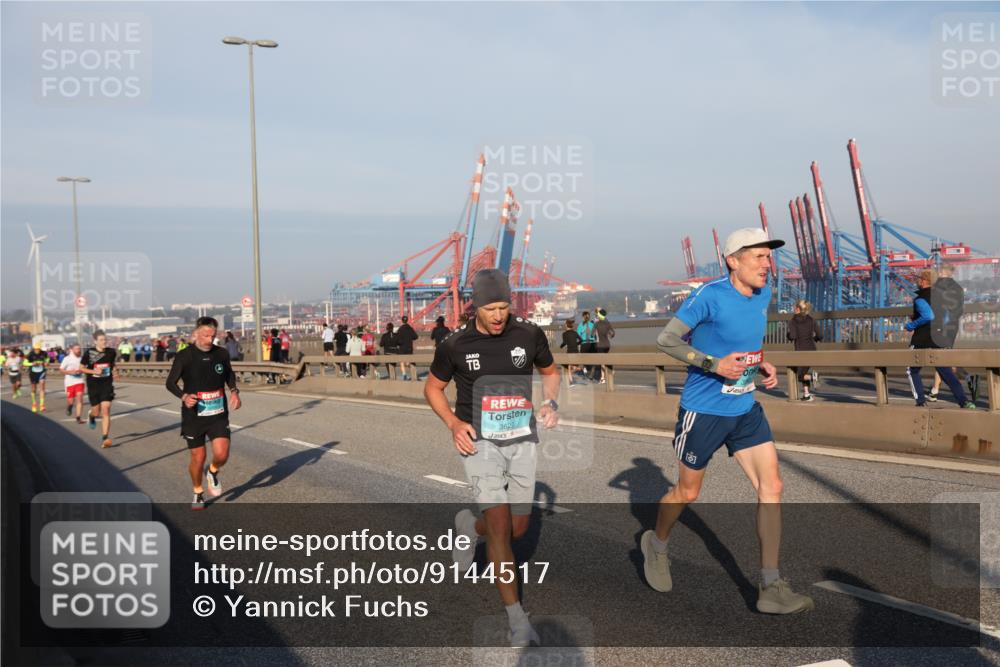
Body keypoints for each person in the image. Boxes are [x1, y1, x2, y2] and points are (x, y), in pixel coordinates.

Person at [648, 227, 814, 614]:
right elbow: (666, 340)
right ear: (733, 260)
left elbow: (743, 342)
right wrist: (712, 364)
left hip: (745, 410)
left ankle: (770, 585)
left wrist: (759, 364)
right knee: (688, 493)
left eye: (768, 257)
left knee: (772, 485)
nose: (766, 264)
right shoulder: (709, 296)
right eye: (757, 256)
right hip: (704, 411)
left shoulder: (764, 294)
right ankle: (655, 545)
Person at [424, 269, 560, 648]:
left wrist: (551, 401)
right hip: (479, 441)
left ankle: (470, 525)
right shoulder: (455, 344)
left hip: (522, 439)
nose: (499, 315)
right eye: (491, 308)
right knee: (501, 528)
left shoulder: (529, 334)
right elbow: (432, 388)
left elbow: (550, 372)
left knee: (516, 529)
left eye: (504, 306)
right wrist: (453, 423)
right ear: (476, 307)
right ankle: (517, 617)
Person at [165, 317, 241, 510]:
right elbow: (170, 383)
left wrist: (234, 391)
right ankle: (198, 491)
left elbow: (229, 374)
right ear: (196, 334)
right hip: (194, 415)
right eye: (206, 335)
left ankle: (213, 472)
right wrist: (184, 397)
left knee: (222, 453)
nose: (209, 339)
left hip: (217, 412)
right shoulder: (185, 356)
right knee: (198, 458)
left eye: (213, 336)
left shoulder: (221, 354)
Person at [905, 269, 974, 409]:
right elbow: (947, 317)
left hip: (921, 339)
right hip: (939, 338)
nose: (916, 281)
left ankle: (920, 402)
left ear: (924, 281)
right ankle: (964, 401)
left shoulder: (919, 299)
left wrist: (911, 325)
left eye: (918, 278)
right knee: (945, 371)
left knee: (912, 370)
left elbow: (928, 316)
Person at [928, 264, 972, 402]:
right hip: (952, 327)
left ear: (941, 272)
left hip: (939, 327)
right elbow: (959, 310)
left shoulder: (937, 287)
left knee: (940, 357)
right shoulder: (958, 288)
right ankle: (935, 390)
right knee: (942, 356)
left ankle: (967, 377)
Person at [80, 330, 119, 448]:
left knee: (106, 409)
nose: (104, 342)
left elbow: (112, 364)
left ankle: (105, 438)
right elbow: (81, 368)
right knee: (96, 411)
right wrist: (93, 371)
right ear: (95, 341)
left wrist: (115, 371)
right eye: (101, 340)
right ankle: (91, 416)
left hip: (106, 384)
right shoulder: (89, 353)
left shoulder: (111, 352)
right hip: (93, 385)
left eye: (105, 339)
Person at [786, 299, 822, 401]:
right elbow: (820, 335)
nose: (793, 309)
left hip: (801, 350)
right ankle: (807, 395)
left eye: (794, 307)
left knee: (800, 375)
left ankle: (813, 377)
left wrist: (788, 335)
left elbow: (792, 336)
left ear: (798, 309)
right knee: (803, 372)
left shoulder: (793, 321)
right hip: (811, 349)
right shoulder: (811, 319)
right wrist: (814, 339)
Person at [60, 343, 86, 423]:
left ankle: (78, 417)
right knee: (71, 401)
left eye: (79, 349)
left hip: (79, 381)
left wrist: (81, 370)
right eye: (77, 349)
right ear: (72, 350)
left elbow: (85, 368)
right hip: (69, 382)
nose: (79, 350)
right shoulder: (67, 359)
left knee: (80, 397)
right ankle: (70, 406)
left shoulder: (82, 359)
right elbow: (61, 370)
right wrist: (70, 372)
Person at [592, 308, 616, 383]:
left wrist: (595, 334)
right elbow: (613, 333)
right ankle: (606, 374)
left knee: (602, 362)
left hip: (600, 345)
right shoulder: (607, 323)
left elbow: (592, 334)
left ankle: (606, 374)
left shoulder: (596, 323)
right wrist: (610, 335)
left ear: (599, 315)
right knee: (604, 360)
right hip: (607, 345)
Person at [25, 342, 49, 412]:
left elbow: (47, 359)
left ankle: (42, 405)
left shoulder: (44, 353)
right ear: (34, 348)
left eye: (38, 349)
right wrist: (32, 363)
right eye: (36, 349)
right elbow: (24, 363)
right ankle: (34, 404)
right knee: (33, 389)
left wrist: (47, 362)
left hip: (42, 371)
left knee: (42, 385)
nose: (37, 350)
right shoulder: (30, 354)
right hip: (33, 373)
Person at [560, 318, 583, 384]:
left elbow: (564, 343)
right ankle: (571, 381)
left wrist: (561, 347)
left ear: (566, 325)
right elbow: (581, 340)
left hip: (569, 352)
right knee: (571, 367)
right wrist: (576, 344)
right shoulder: (575, 333)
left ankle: (571, 381)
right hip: (576, 351)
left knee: (569, 367)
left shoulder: (564, 334)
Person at [396, 315, 419, 380]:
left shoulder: (400, 329)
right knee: (408, 362)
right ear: (407, 320)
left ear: (402, 321)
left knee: (402, 362)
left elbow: (397, 340)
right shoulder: (410, 328)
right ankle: (413, 370)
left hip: (402, 348)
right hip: (409, 347)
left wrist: (399, 343)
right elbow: (415, 337)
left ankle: (404, 375)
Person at [576, 310, 597, 380]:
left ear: (583, 317)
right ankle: (592, 373)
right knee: (593, 359)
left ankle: (586, 371)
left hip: (584, 344)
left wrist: (583, 333)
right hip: (592, 343)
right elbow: (595, 335)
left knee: (584, 359)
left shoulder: (580, 325)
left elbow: (578, 336)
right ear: (589, 316)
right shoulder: (592, 324)